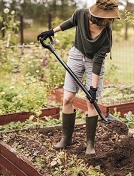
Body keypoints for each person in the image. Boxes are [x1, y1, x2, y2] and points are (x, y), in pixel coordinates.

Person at [37, 0, 120, 155]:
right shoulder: (81, 14)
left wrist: (93, 90)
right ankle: (66, 138)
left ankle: (90, 143)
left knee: (91, 102)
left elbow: (97, 62)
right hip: (76, 54)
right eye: (108, 18)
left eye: (111, 18)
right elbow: (70, 22)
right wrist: (51, 32)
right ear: (98, 16)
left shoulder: (106, 37)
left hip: (93, 61)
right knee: (67, 98)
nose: (110, 21)